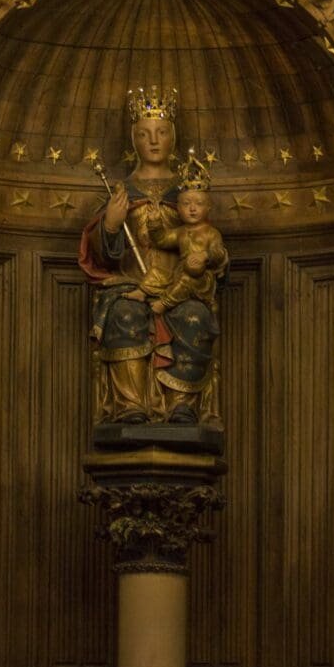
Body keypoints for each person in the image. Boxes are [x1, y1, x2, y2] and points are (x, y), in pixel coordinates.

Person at [78, 87, 222, 426]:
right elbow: (100, 256)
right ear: (133, 139)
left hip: (181, 286)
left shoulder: (187, 193)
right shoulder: (121, 192)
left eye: (161, 133)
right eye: (144, 134)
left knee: (194, 316)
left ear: (172, 137)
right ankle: (131, 404)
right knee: (124, 313)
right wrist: (111, 226)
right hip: (133, 282)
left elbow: (210, 243)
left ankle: (180, 405)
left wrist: (206, 260)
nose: (153, 141)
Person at [124, 161, 228, 316]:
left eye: (198, 204)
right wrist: (154, 223)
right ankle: (142, 291)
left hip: (201, 279)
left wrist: (204, 256)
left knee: (187, 279)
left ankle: (164, 303)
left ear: (208, 208)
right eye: (186, 204)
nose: (192, 209)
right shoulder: (181, 232)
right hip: (179, 271)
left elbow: (219, 253)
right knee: (159, 272)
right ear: (178, 209)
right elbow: (162, 240)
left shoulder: (211, 233)